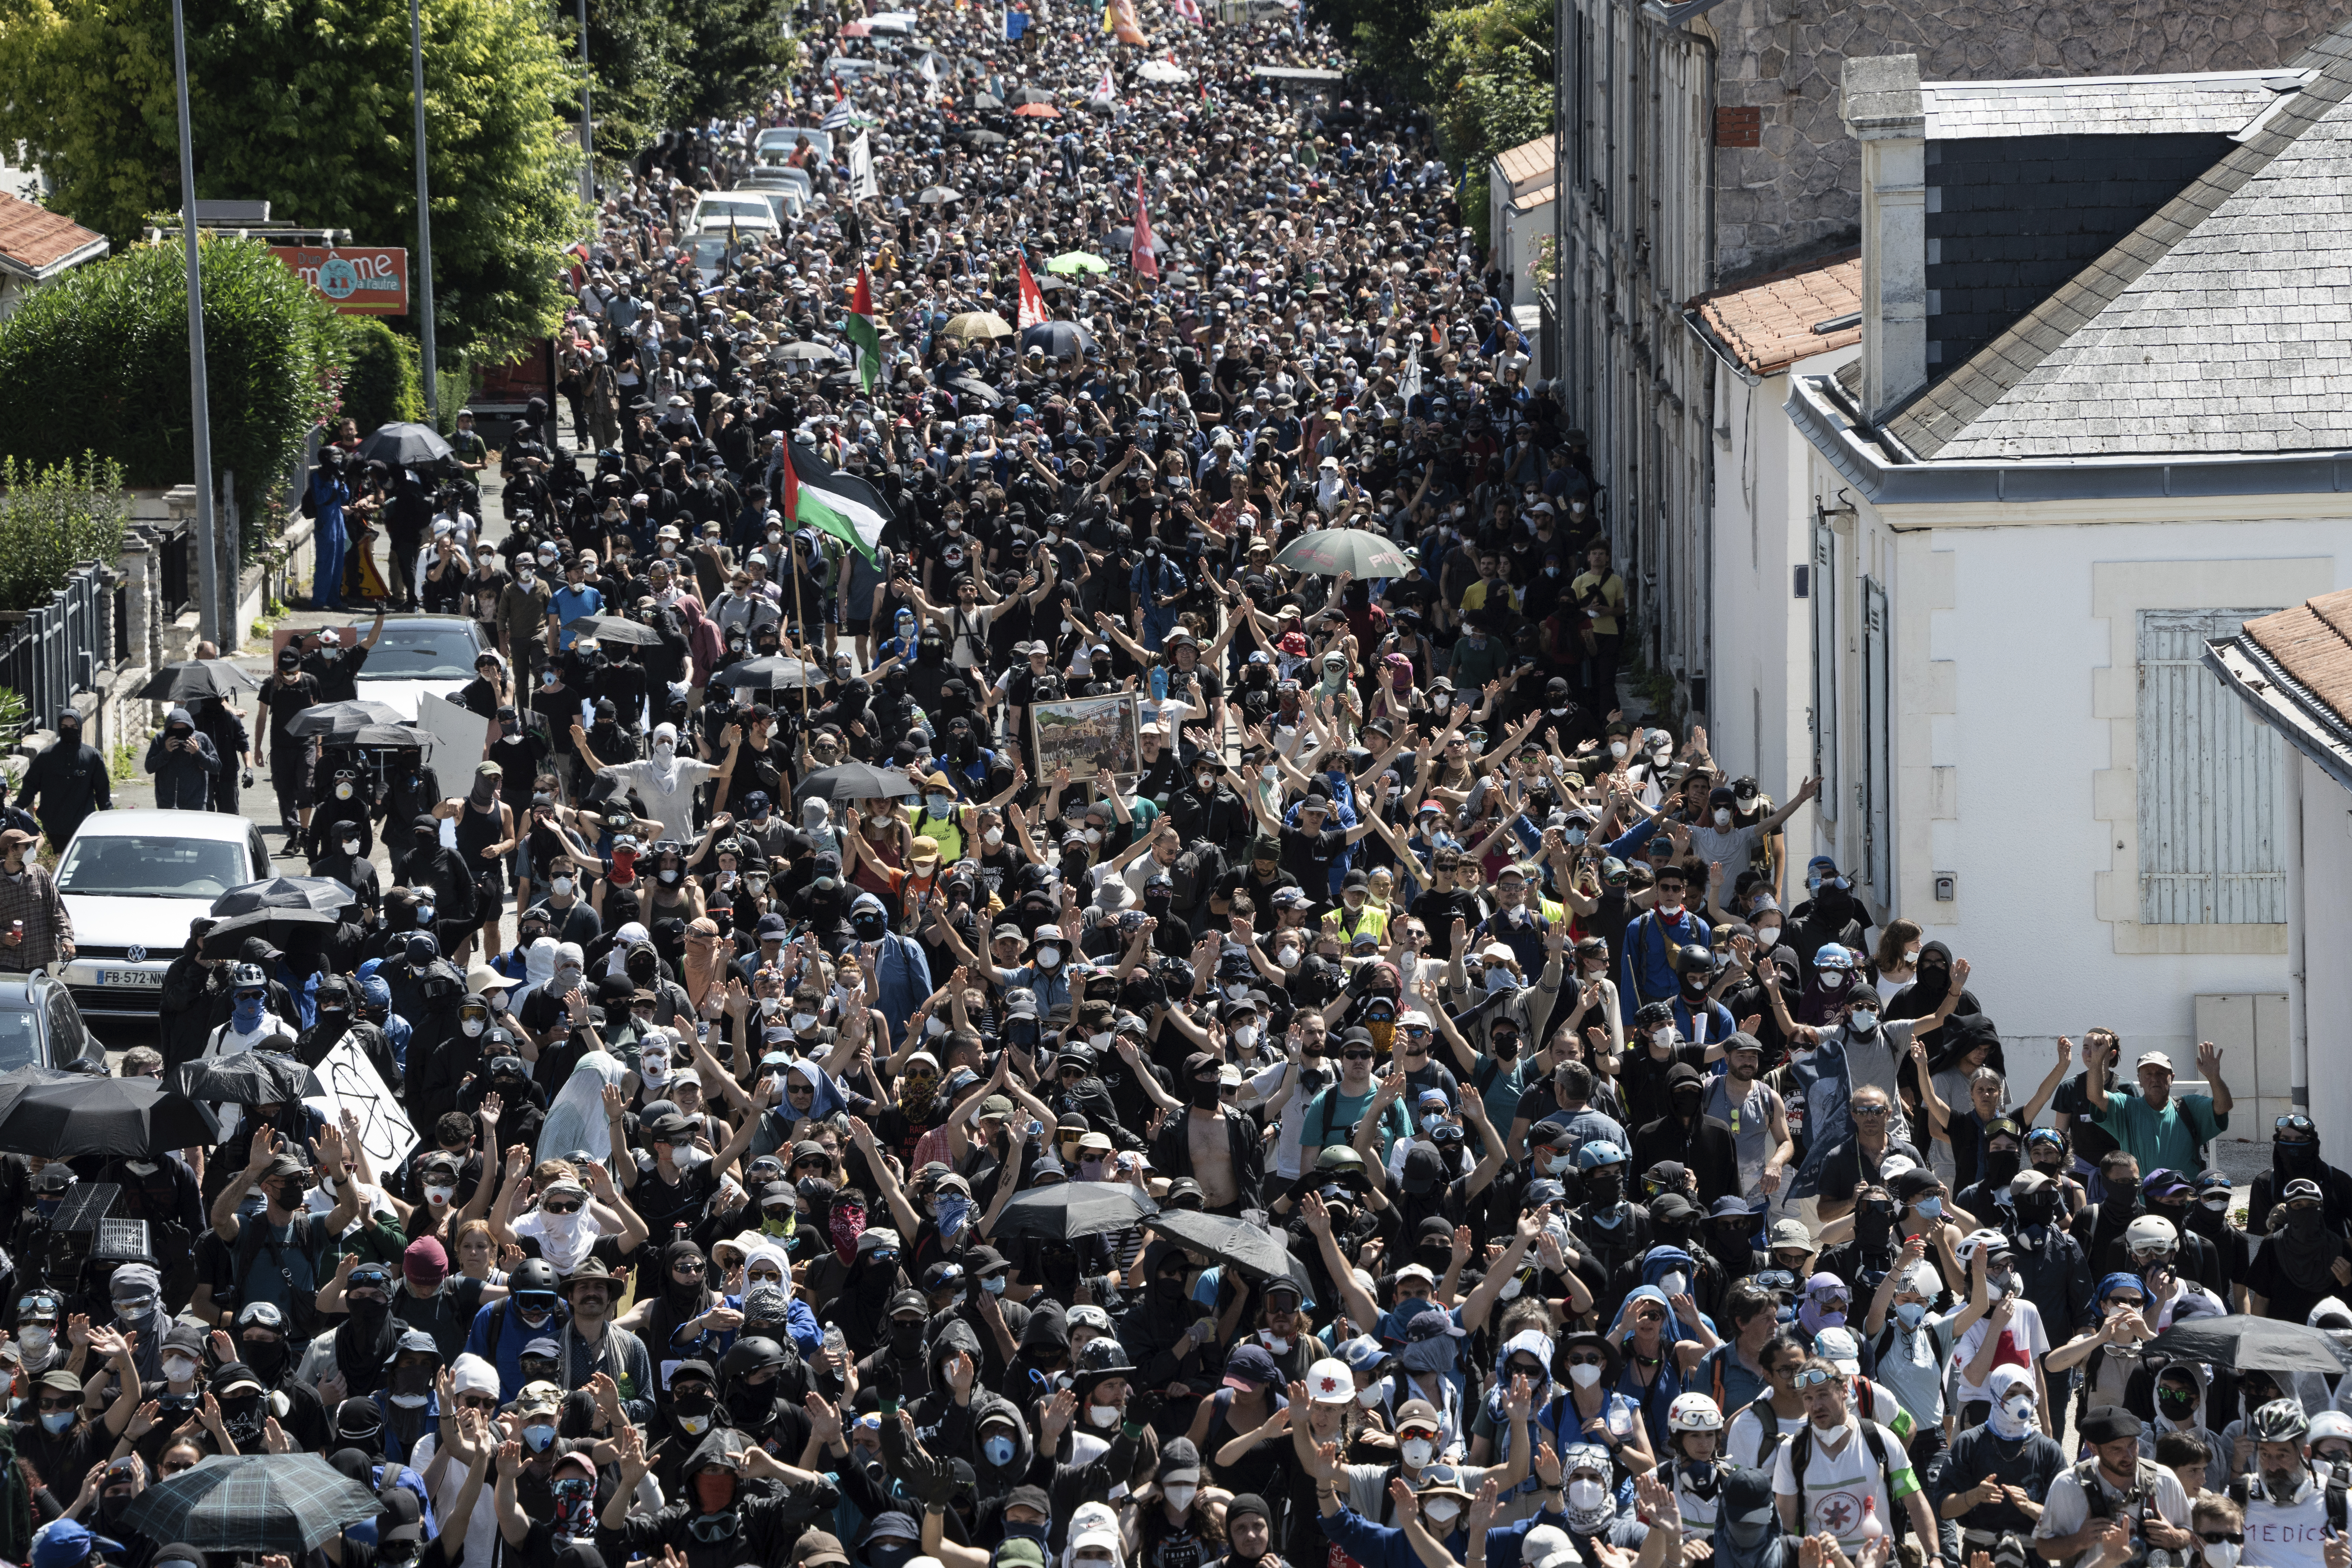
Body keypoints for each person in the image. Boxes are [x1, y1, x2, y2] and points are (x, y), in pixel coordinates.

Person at [16, 708, 109, 850]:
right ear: (59, 728)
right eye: (64, 727)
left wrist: (109, 817)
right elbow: (30, 786)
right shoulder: (47, 757)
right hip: (54, 826)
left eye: (73, 727)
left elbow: (103, 792)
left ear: (80, 727)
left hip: (82, 825)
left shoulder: (92, 757)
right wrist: (17, 808)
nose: (69, 730)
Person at [0, 825, 71, 972]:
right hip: (6, 960)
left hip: (38, 958)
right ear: (12, 850)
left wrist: (67, 938)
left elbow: (57, 908)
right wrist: (3, 937)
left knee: (36, 996)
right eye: (26, 846)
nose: (31, 850)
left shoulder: (39, 873)